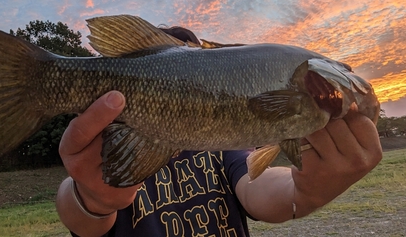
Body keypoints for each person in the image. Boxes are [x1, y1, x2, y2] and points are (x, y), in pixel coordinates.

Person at [55, 28, 382, 237]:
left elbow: (257, 184)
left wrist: (305, 191)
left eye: (198, 56)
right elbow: (75, 209)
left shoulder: (220, 150)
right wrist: (94, 200)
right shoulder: (115, 155)